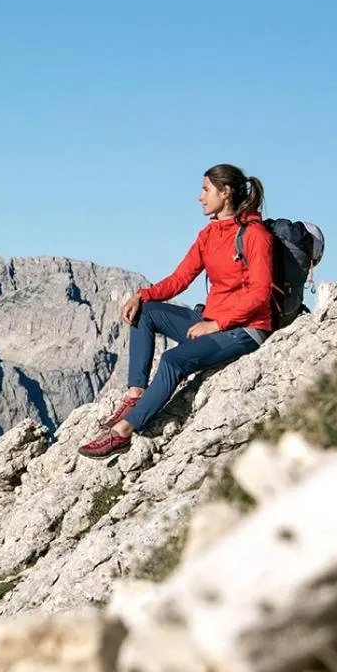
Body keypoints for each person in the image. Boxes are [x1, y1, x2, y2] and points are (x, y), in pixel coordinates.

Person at [79, 164, 274, 458]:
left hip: (245, 329)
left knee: (173, 360)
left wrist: (217, 324)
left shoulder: (255, 235)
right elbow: (181, 278)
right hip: (211, 321)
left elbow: (261, 293)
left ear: (225, 192)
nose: (200, 197)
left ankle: (123, 432)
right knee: (145, 312)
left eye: (205, 190)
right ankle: (135, 394)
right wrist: (142, 295)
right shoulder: (209, 235)